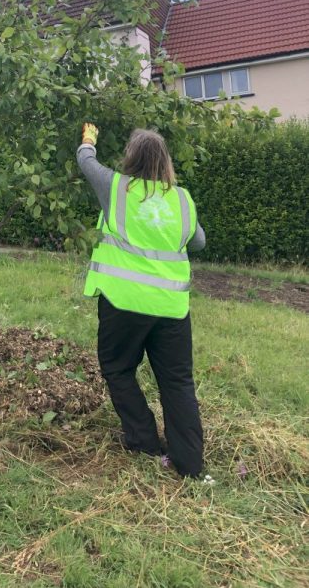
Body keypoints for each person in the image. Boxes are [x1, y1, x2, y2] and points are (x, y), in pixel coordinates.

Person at [77, 123, 205, 478]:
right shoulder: (181, 198)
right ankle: (189, 463)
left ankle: (144, 441)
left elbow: (86, 161)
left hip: (124, 303)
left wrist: (89, 138)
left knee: (118, 368)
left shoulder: (116, 187)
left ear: (129, 158)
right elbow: (198, 242)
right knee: (178, 382)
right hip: (171, 308)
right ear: (165, 162)